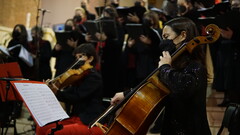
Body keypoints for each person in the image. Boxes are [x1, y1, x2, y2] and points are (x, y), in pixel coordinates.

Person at [111, 17, 211, 135]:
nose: (164, 42)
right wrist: (126, 95)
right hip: (171, 127)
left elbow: (183, 88)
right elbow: (152, 86)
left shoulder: (196, 66)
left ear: (183, 35)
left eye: (166, 37)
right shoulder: (173, 64)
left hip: (190, 130)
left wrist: (164, 68)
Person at [36, 43, 105, 135]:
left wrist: (57, 92)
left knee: (54, 132)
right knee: (42, 127)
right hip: (74, 116)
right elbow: (68, 94)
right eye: (76, 57)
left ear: (90, 59)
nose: (77, 60)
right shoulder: (78, 76)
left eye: (81, 56)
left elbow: (77, 96)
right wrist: (53, 90)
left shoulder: (94, 77)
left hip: (88, 119)